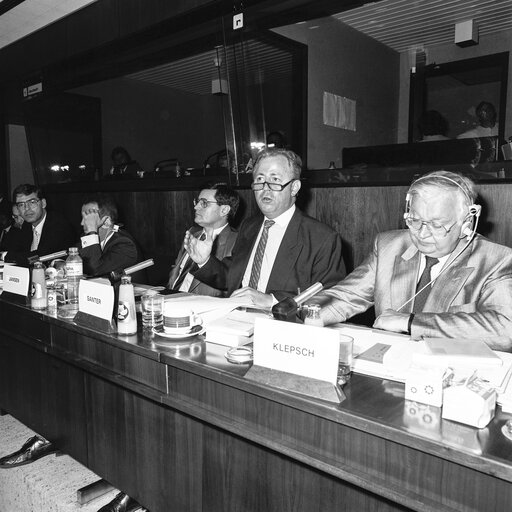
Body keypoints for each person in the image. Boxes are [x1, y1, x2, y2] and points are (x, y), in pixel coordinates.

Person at [314, 170, 512, 351]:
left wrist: (411, 322)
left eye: (436, 225)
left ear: (466, 224)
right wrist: (306, 314)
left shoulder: (497, 260)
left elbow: (505, 331)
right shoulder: (388, 247)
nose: (422, 234)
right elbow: (344, 297)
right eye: (415, 220)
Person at [185, 148, 346, 308]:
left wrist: (272, 300)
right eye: (260, 180)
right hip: (237, 318)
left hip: (284, 326)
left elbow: (329, 297)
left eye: (275, 180)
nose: (265, 188)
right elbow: (231, 277)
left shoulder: (321, 238)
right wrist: (204, 261)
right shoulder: (250, 226)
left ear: (295, 187)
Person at [168, 183, 239, 296]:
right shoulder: (192, 233)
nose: (196, 207)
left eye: (204, 203)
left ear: (224, 210)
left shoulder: (238, 241)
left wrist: (204, 262)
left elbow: (230, 282)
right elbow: (176, 272)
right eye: (197, 202)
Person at [0, 184, 76, 265]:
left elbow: (40, 256)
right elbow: (17, 250)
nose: (27, 208)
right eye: (21, 204)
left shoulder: (58, 224)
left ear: (43, 203)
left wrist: (4, 255)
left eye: (32, 202)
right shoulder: (26, 225)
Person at [79, 194, 144, 279]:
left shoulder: (125, 244)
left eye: (88, 219)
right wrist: (60, 263)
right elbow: (72, 257)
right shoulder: (89, 237)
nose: (82, 223)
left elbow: (94, 270)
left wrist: (92, 229)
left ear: (106, 222)